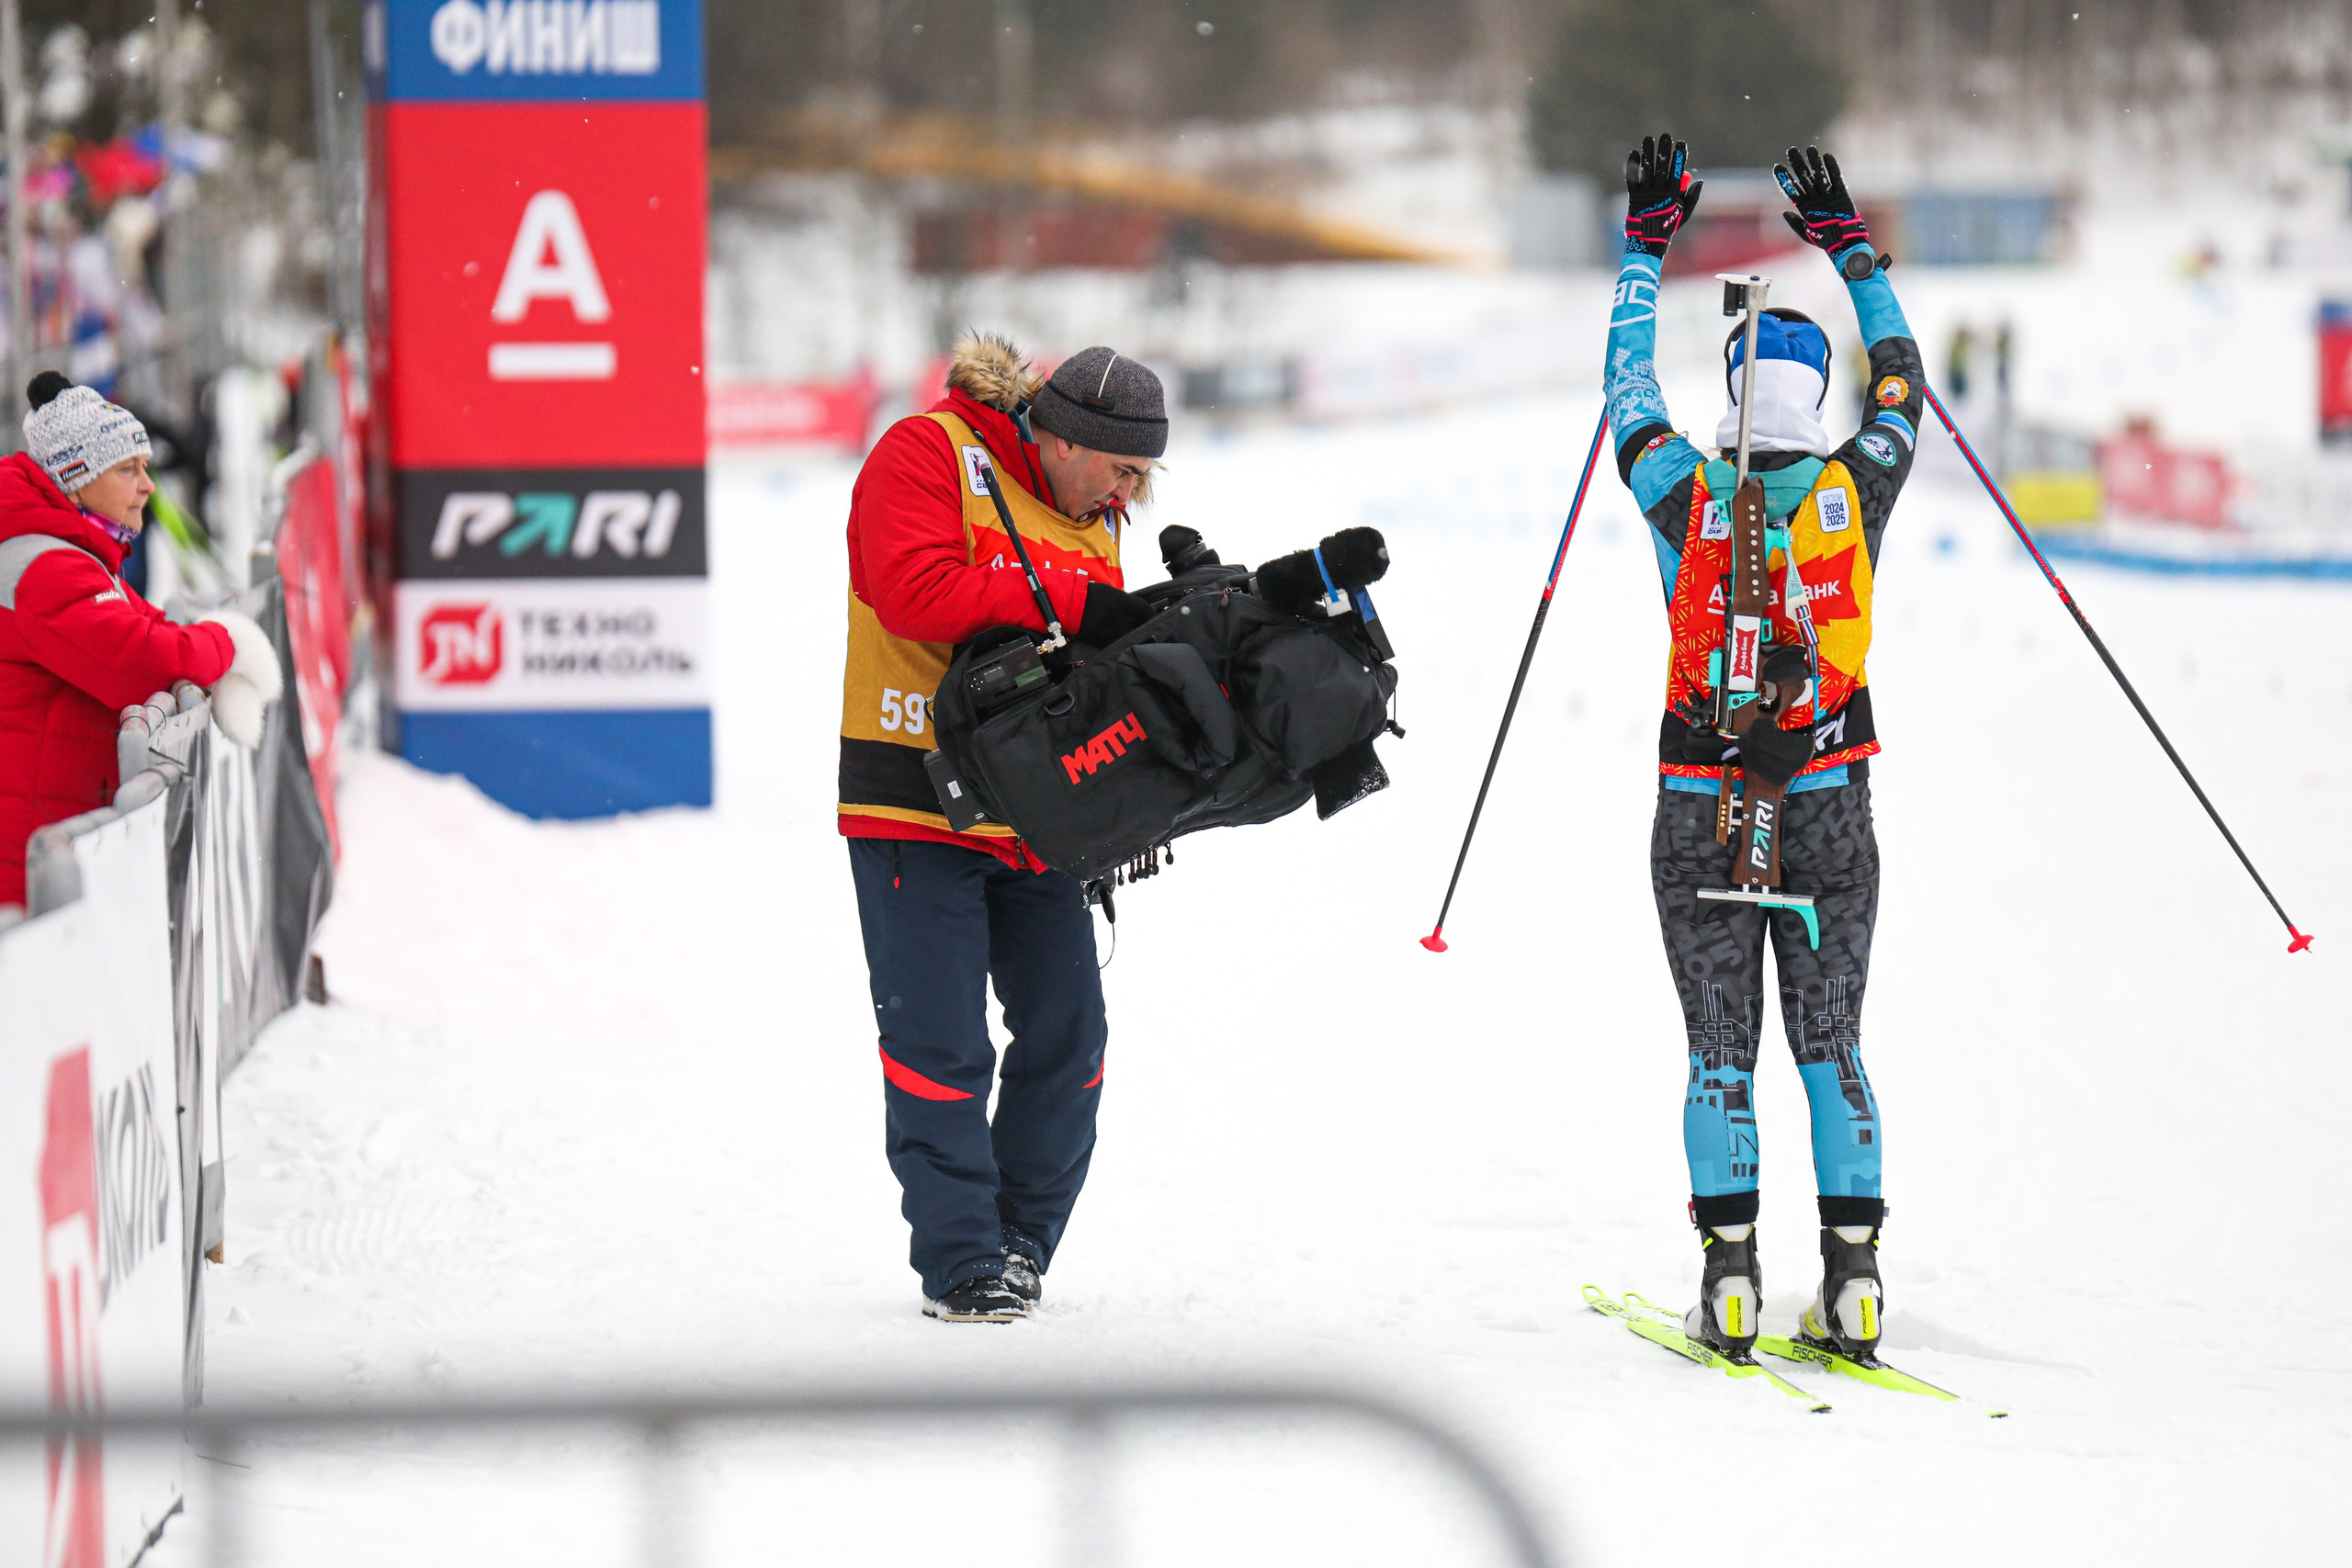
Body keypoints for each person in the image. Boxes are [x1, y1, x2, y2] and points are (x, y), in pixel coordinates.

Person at [1604, 138, 1926, 1359]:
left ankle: (1729, 1278)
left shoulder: (1681, 487)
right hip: (1831, 795)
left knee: (1720, 1048)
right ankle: (1855, 1282)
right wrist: (1850, 248)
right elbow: (1903, 380)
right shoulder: (1864, 482)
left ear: (1736, 383)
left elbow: (1625, 390)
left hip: (1701, 796)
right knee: (1833, 1040)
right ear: (1818, 393)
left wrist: (1647, 244)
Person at [839, 333, 1164, 1322]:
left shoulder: (1096, 517)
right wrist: (1070, 601)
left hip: (1035, 817)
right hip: (910, 795)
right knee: (939, 1044)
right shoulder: (926, 452)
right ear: (1064, 436)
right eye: (1121, 467)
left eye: (1144, 474)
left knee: (1070, 1039)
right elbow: (911, 590)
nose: (1130, 493)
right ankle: (962, 1260)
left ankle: (1019, 1244)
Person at [0, 371, 282, 908]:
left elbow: (150, 626)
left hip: (44, 847)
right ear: (75, 479)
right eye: (128, 469)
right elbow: (144, 660)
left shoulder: (66, 553)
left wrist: (208, 644)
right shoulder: (46, 568)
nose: (148, 486)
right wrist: (229, 645)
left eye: (146, 467)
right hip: (28, 871)